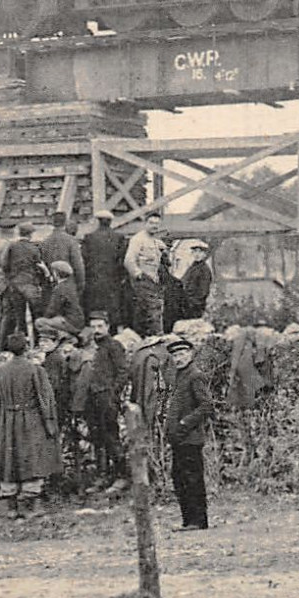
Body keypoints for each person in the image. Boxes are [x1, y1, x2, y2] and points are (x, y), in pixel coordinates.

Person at [0, 333, 61, 518]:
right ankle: (32, 506)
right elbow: (45, 400)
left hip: (6, 419)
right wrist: (50, 424)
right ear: (26, 348)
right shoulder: (35, 370)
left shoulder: (0, 371)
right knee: (32, 459)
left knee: (9, 461)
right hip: (30, 419)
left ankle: (12, 507)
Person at [162, 337, 213, 531]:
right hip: (179, 439)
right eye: (175, 355)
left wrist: (184, 423)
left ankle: (198, 521)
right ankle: (188, 520)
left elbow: (206, 406)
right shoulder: (179, 376)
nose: (178, 358)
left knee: (192, 479)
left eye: (182, 354)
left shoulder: (195, 375)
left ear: (191, 354)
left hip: (190, 438)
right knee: (179, 477)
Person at [78, 312, 129, 491]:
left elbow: (123, 372)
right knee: (96, 437)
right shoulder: (90, 348)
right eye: (93, 326)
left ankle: (121, 476)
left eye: (100, 326)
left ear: (107, 326)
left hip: (106, 399)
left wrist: (113, 394)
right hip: (91, 400)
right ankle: (102, 476)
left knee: (111, 437)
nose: (97, 330)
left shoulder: (114, 346)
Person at [81, 210, 129, 331]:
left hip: (93, 281)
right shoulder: (118, 238)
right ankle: (111, 333)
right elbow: (123, 260)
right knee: (112, 311)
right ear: (110, 222)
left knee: (95, 310)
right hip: (113, 281)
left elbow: (84, 260)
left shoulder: (89, 238)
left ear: (98, 221)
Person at [1, 223, 46, 343]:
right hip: (30, 285)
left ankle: (21, 345)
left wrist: (11, 277)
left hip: (15, 285)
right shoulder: (34, 248)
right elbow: (39, 267)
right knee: (36, 316)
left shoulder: (11, 247)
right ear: (30, 234)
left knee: (20, 319)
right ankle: (37, 343)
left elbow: (4, 265)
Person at [123, 213, 167, 336]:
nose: (154, 226)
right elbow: (129, 260)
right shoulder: (138, 239)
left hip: (153, 281)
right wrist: (139, 276)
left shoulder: (154, 241)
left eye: (157, 223)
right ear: (145, 224)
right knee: (153, 309)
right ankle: (157, 336)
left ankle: (146, 337)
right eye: (151, 223)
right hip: (143, 281)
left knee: (147, 311)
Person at [37, 211, 86, 311]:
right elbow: (78, 265)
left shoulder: (44, 242)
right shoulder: (71, 241)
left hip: (50, 286)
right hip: (68, 285)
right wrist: (80, 285)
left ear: (53, 223)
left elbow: (40, 265)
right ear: (65, 223)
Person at [42, 261, 85, 333]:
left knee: (40, 322)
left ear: (56, 273)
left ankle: (62, 338)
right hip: (78, 321)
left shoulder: (60, 288)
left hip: (70, 322)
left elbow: (52, 309)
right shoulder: (70, 285)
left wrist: (45, 318)